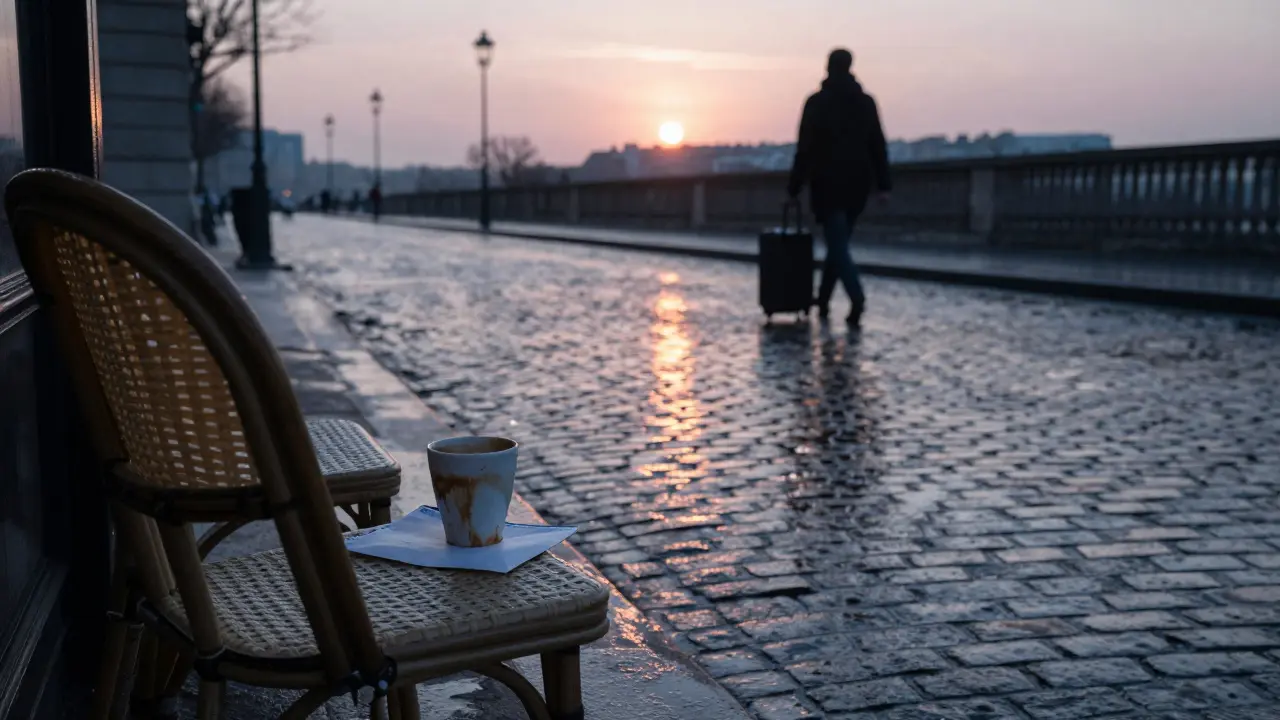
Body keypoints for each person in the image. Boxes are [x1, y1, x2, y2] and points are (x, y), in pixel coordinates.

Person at [787, 48, 892, 326]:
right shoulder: (866, 102)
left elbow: (804, 148)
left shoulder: (816, 103)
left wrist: (794, 186)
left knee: (837, 244)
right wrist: (883, 185)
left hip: (827, 181)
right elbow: (877, 145)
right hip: (858, 182)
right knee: (839, 242)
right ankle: (822, 300)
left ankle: (856, 298)